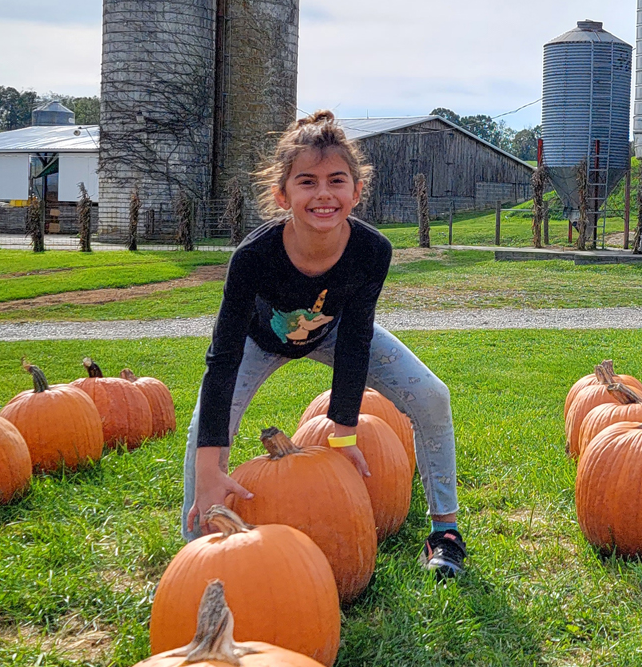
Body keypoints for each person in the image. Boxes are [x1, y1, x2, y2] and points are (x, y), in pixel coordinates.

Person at [183, 111, 466, 579]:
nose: (323, 194)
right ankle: (197, 555)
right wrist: (210, 467)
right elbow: (223, 357)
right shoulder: (252, 257)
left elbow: (356, 336)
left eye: (337, 180)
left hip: (333, 333)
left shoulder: (372, 250)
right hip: (260, 340)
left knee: (432, 394)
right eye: (307, 181)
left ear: (356, 191)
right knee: (203, 433)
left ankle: (445, 533)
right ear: (282, 195)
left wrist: (343, 426)